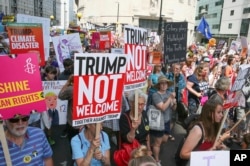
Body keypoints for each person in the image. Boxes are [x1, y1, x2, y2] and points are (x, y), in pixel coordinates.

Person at [180, 97, 231, 162]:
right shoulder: (198, 130)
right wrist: (210, 150)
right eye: (218, 112)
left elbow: (210, 146)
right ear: (209, 113)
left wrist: (218, 146)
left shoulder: (214, 125)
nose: (222, 115)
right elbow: (183, 154)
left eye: (222, 112)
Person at [150, 75, 176, 165]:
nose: (164, 85)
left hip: (167, 120)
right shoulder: (155, 95)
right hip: (158, 123)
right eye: (162, 83)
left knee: (164, 140)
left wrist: (174, 103)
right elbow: (163, 108)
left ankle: (152, 147)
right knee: (158, 143)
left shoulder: (169, 93)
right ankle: (156, 160)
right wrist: (170, 98)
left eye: (166, 83)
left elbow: (173, 108)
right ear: (159, 85)